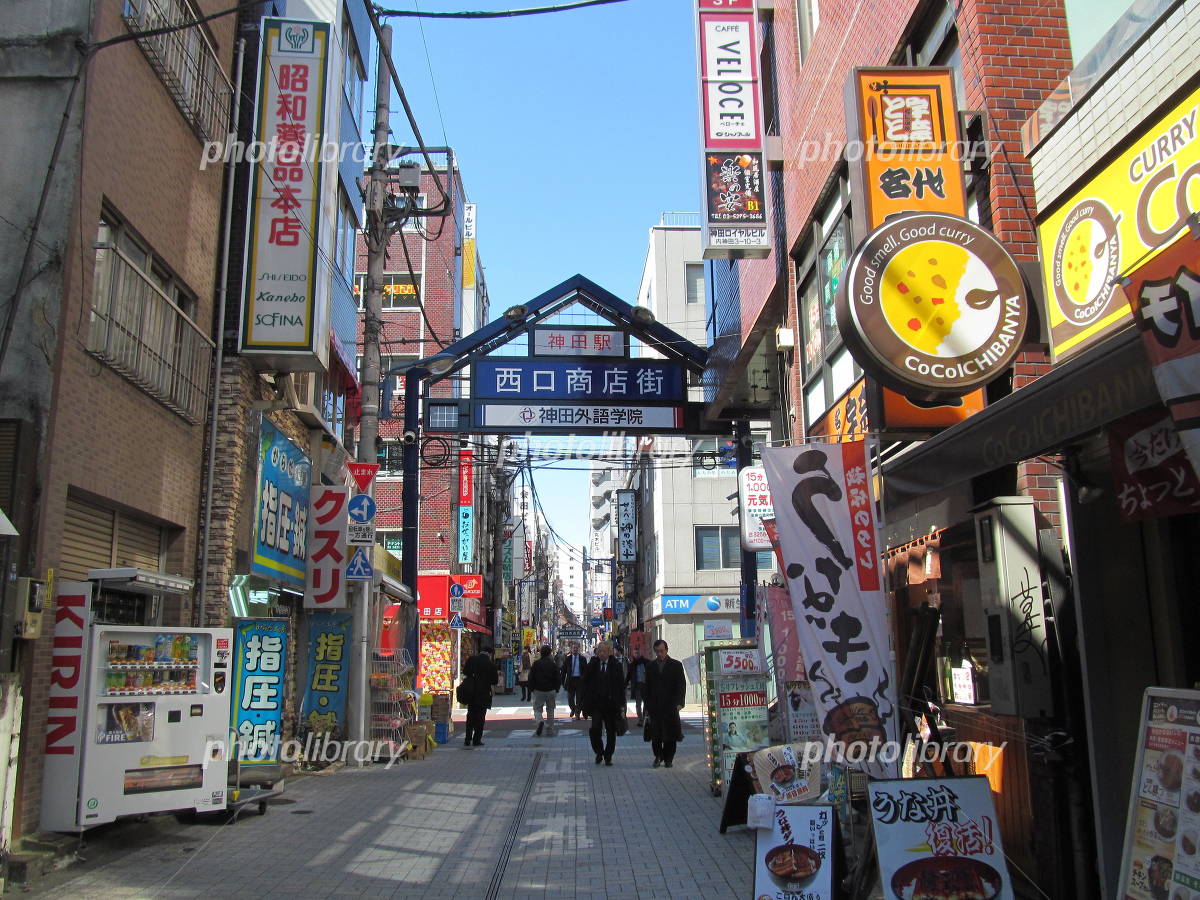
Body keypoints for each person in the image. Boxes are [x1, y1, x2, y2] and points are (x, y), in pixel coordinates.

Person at [643, 639, 686, 768]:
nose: (660, 654)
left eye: (661, 651)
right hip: (655, 706)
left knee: (670, 735)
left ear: (666, 650)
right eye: (657, 652)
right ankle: (658, 756)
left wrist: (680, 703)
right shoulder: (650, 666)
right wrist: (647, 705)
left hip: (670, 705)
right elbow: (647, 687)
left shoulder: (676, 665)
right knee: (656, 735)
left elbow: (681, 685)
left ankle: (669, 758)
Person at [582, 642, 626, 766]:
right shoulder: (593, 664)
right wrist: (583, 704)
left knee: (611, 731)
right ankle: (599, 751)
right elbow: (585, 683)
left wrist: (622, 706)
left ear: (609, 652)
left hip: (611, 705)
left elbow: (620, 687)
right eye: (600, 651)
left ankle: (608, 755)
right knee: (594, 729)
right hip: (596, 704)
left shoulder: (616, 665)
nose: (601, 653)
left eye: (604, 651)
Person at [462, 648, 498, 747]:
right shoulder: (491, 664)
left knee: (470, 716)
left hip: (471, 692)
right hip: (484, 694)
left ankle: (467, 739)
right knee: (480, 718)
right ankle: (477, 740)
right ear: (489, 654)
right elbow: (495, 681)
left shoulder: (472, 659)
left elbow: (465, 672)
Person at [528, 645, 560, 736]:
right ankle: (549, 727)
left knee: (537, 708)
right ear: (550, 653)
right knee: (550, 709)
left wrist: (531, 688)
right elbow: (558, 677)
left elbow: (531, 677)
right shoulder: (553, 664)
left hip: (538, 689)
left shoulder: (536, 664)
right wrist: (557, 689)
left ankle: (540, 721)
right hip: (551, 689)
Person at [560, 641, 587, 718]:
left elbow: (585, 671)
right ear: (571, 649)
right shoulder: (568, 659)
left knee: (579, 698)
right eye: (573, 648)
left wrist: (584, 680)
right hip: (570, 680)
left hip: (579, 680)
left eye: (576, 648)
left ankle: (577, 713)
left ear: (578, 649)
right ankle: (573, 708)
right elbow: (563, 671)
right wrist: (562, 681)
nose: (575, 649)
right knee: (570, 698)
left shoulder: (583, 659)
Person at [625, 648, 650, 726]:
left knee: (646, 704)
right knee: (638, 704)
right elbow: (628, 676)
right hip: (637, 687)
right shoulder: (632, 665)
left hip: (646, 686)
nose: (637, 654)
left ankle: (645, 718)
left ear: (641, 653)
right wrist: (624, 685)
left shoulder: (647, 662)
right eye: (635, 653)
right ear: (633, 654)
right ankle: (640, 719)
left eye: (638, 653)